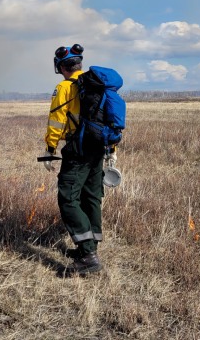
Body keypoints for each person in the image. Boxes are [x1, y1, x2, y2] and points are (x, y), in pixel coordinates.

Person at [42, 44, 116, 275]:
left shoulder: (64, 87)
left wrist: (50, 147)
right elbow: (109, 118)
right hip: (98, 147)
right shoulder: (97, 84)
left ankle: (88, 257)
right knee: (91, 196)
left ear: (61, 67)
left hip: (78, 148)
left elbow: (56, 120)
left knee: (68, 198)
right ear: (79, 64)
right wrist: (111, 149)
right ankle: (90, 246)